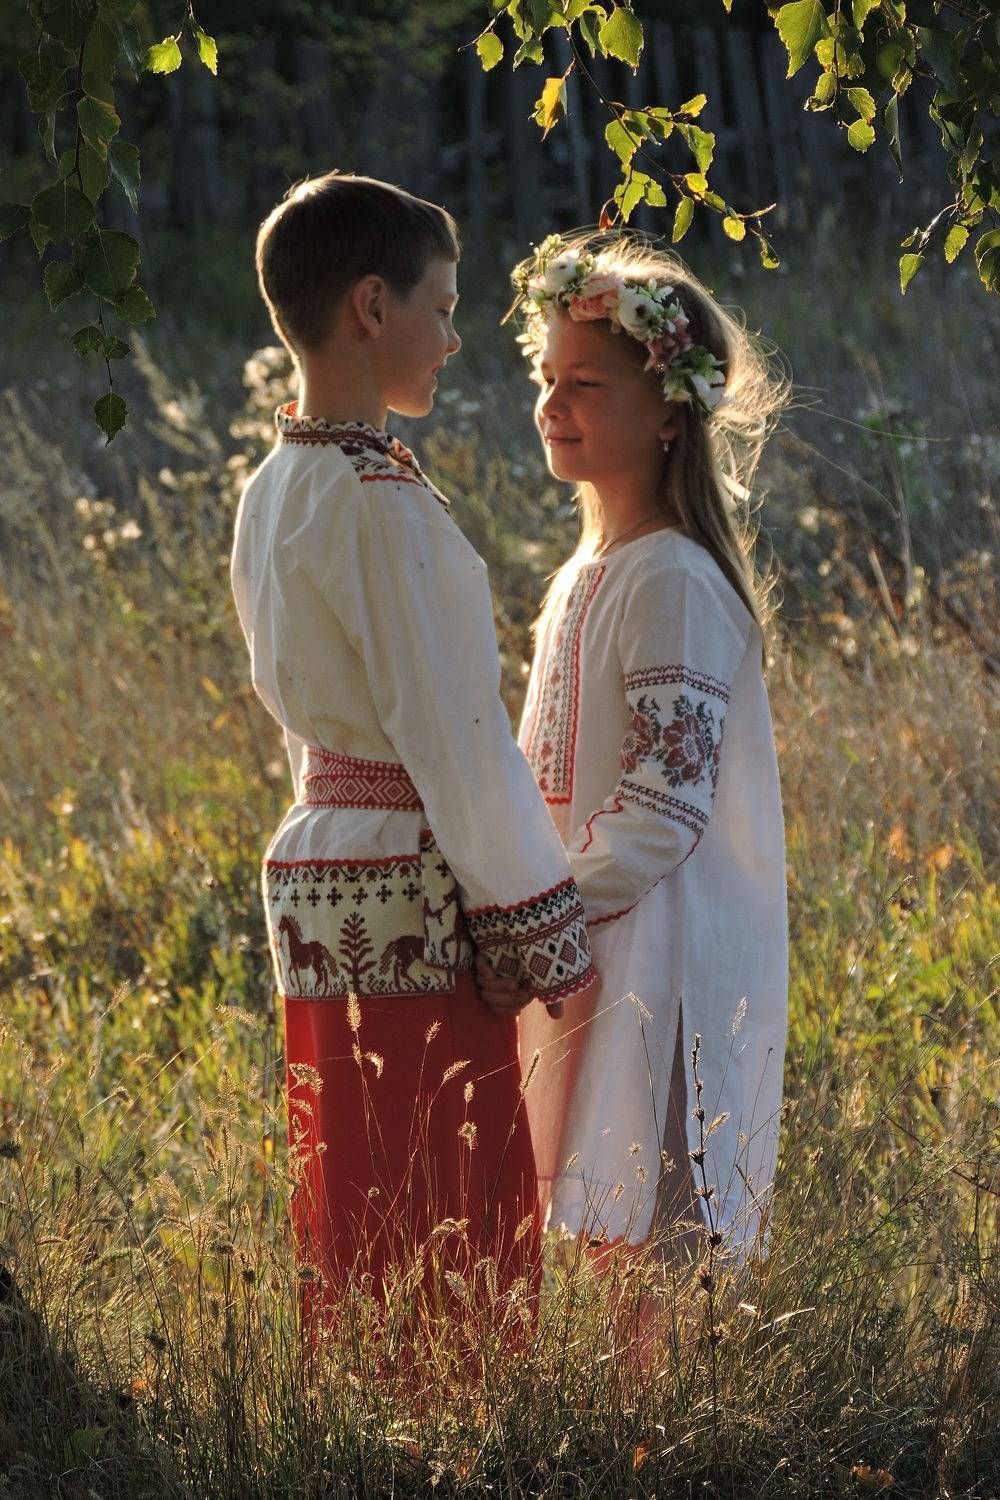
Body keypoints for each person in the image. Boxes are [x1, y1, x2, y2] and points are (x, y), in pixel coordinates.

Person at [230, 177, 597, 1345]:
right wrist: (538, 928)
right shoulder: (379, 501)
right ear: (370, 305)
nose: (452, 337)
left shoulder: (270, 487)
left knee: (352, 1180)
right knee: (441, 1193)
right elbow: (456, 739)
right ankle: (454, 1420)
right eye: (441, 307)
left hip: (316, 868)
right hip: (410, 883)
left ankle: (362, 1402)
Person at [477, 229, 790, 1345]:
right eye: (545, 378)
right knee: (613, 1245)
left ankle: (662, 1428)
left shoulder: (673, 578)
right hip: (587, 944)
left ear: (667, 414)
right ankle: (628, 1419)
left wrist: (534, 921)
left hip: (659, 957)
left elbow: (661, 811)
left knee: (653, 1240)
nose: (551, 404)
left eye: (586, 385)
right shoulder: (588, 571)